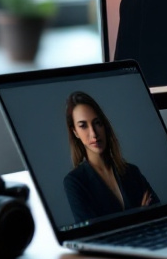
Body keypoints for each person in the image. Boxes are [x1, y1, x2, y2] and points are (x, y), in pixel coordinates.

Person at [62, 91, 159, 223]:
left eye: (97, 123)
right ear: (75, 132)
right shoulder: (75, 182)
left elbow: (159, 216)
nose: (93, 133)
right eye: (83, 126)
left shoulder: (132, 172)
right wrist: (139, 214)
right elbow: (93, 235)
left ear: (104, 125)